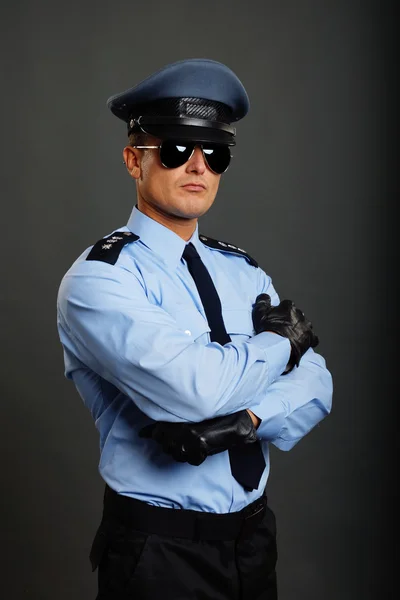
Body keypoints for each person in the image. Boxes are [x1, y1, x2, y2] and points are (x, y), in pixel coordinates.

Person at [56, 58, 333, 600]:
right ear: (135, 160)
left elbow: (319, 384)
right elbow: (195, 390)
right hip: (160, 552)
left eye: (216, 153)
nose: (199, 168)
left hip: (253, 539)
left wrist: (247, 420)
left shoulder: (242, 269)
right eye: (178, 150)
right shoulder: (99, 280)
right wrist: (283, 342)